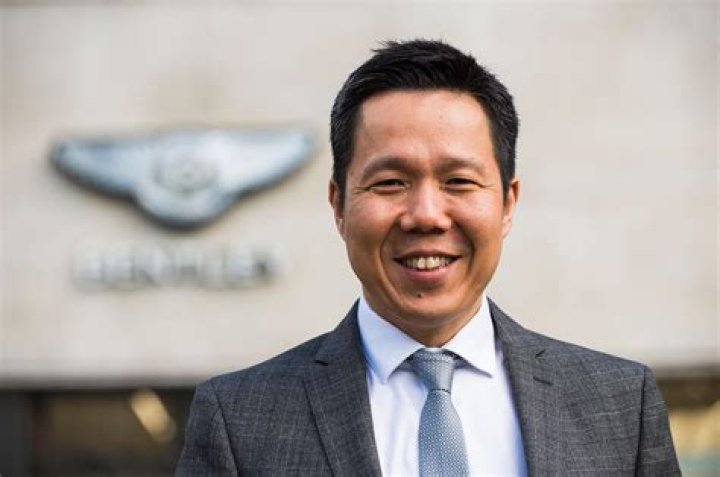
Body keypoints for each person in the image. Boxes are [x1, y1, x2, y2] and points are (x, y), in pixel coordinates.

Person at [176, 40, 680, 476]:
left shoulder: (619, 404)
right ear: (339, 205)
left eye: (458, 181)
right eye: (390, 182)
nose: (426, 216)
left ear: (507, 203)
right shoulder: (239, 419)